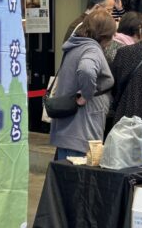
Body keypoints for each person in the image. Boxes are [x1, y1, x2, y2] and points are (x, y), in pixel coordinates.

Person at [47, 9, 115, 160]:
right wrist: (86, 95)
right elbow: (86, 70)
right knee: (77, 172)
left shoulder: (74, 46)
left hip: (68, 130)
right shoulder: (92, 49)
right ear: (105, 35)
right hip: (83, 131)